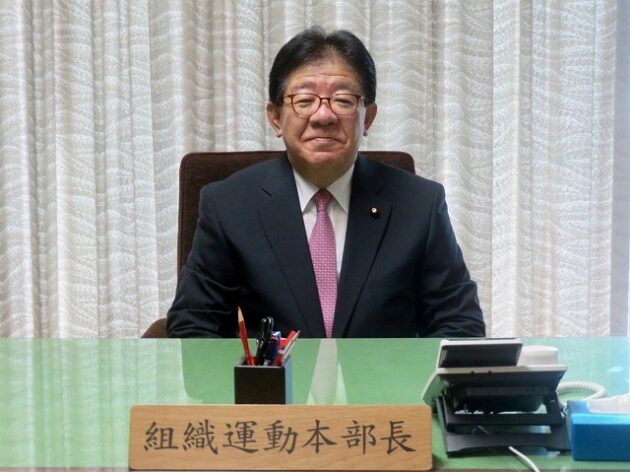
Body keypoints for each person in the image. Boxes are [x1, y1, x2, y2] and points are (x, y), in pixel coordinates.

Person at [167, 27, 485, 338]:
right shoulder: (229, 206)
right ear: (275, 117)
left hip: (384, 377)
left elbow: (460, 325)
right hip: (274, 376)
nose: (323, 116)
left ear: (367, 118)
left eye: (343, 100)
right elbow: (193, 326)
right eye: (304, 100)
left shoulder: (419, 204)